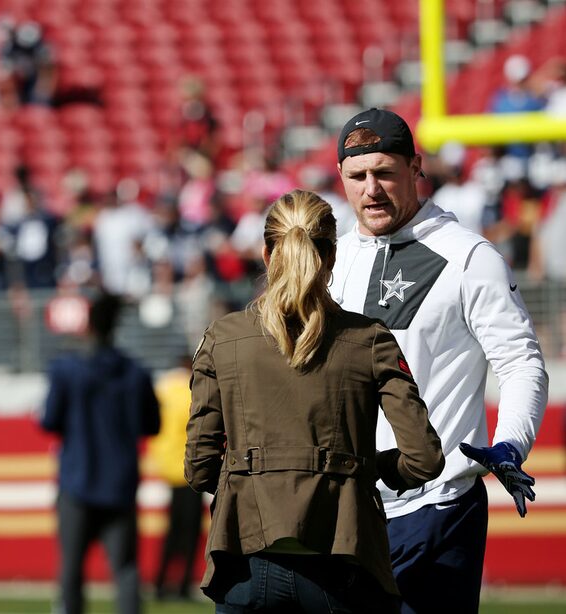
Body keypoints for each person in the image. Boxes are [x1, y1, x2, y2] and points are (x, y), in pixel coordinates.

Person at [185, 189, 445, 613]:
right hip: (343, 558)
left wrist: (257, 485)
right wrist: (366, 470)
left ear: (267, 253)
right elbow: (424, 459)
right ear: (332, 256)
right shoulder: (370, 339)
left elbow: (198, 469)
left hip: (246, 561)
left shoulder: (223, 338)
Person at [330, 108, 549, 613]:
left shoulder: (471, 257)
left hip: (438, 508)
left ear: (415, 168)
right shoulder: (333, 262)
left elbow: (520, 363)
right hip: (347, 509)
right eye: (357, 176)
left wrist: (512, 442)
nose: (371, 189)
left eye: (384, 172)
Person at [40, 292, 161, 614]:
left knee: (71, 570)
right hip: (120, 483)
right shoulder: (136, 373)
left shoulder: (66, 370)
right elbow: (151, 425)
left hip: (76, 482)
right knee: (125, 569)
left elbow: (49, 420)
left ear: (88, 325)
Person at [148, 354, 204, 601]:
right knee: (190, 532)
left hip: (168, 466)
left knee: (173, 531)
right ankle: (182, 586)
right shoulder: (193, 390)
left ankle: (161, 583)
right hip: (189, 467)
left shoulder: (164, 388)